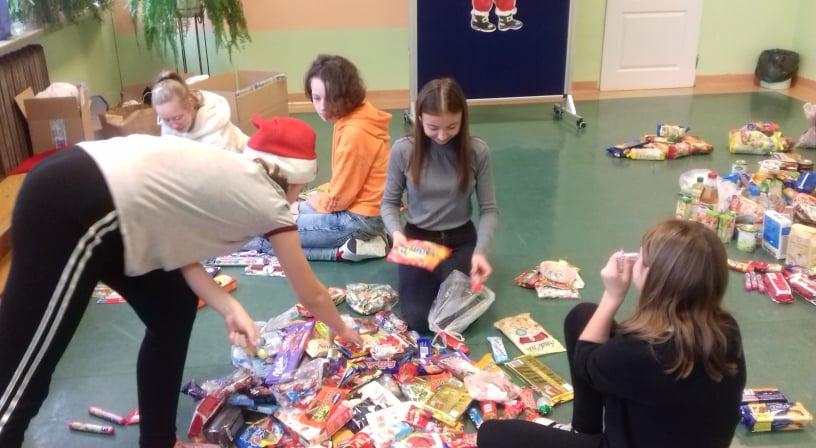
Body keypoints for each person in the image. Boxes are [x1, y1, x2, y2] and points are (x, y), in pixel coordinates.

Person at [0, 119, 362, 448]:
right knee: (22, 376)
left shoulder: (233, 177)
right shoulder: (270, 204)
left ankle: (159, 441)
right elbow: (312, 295)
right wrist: (344, 329)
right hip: (72, 205)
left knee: (172, 305)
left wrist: (228, 305)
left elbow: (175, 250)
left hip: (108, 205)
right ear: (298, 181)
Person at [478, 219, 747, 448]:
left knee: (492, 434)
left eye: (643, 260)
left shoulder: (641, 350)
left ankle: (588, 436)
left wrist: (613, 295)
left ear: (657, 281)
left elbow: (585, 361)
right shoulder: (727, 330)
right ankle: (583, 430)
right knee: (583, 317)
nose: (635, 260)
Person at [381, 78, 499, 333]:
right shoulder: (404, 150)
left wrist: (480, 252)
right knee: (418, 320)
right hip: (418, 241)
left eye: (452, 126)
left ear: (462, 119)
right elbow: (389, 203)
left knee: (453, 319)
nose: (442, 136)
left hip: (460, 240)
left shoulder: (477, 151)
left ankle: (451, 271)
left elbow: (489, 210)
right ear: (419, 118)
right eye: (433, 127)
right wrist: (397, 235)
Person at [298, 54, 392, 262]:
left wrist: (320, 203)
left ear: (346, 94)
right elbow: (344, 184)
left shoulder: (354, 132)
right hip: (363, 213)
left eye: (332, 98)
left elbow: (339, 199)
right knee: (290, 213)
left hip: (358, 220)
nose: (323, 106)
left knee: (276, 236)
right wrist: (314, 202)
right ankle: (366, 243)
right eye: (317, 98)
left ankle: (347, 250)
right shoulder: (357, 115)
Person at [151, 71, 249, 153]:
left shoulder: (216, 132)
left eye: (177, 118)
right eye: (166, 120)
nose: (173, 125)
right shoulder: (167, 125)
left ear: (190, 104)